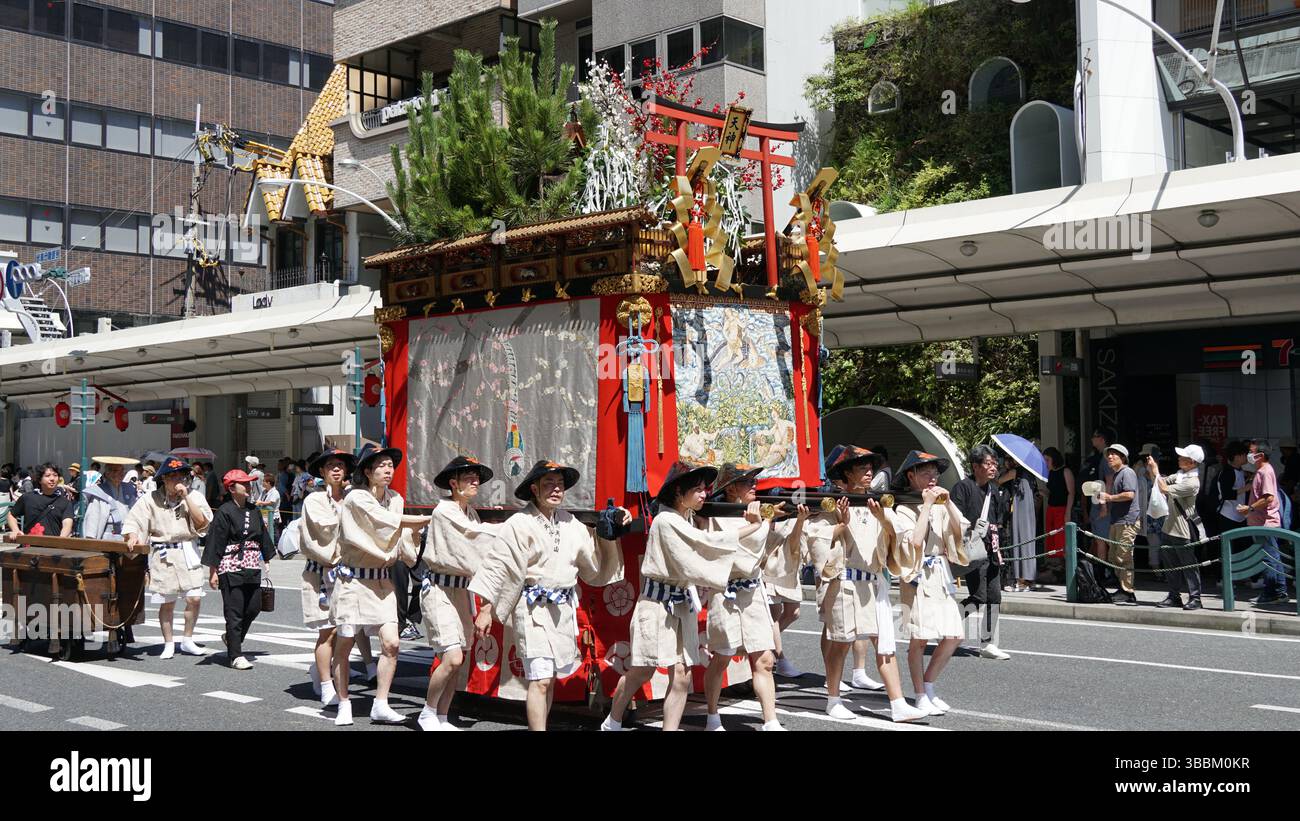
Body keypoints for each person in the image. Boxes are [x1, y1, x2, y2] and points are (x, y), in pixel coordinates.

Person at [472, 459, 628, 731]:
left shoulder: (571, 523)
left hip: (561, 610)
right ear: (534, 488)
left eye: (560, 484)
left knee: (551, 677)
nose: (556, 489)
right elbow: (499, 564)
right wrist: (486, 607)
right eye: (548, 484)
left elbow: (592, 564)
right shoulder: (520, 523)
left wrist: (611, 527)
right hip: (532, 609)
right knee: (540, 678)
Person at [602, 461, 755, 732]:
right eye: (696, 489)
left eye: (704, 489)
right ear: (678, 493)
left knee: (682, 675)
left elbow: (708, 543)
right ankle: (613, 719)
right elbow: (706, 546)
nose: (704, 494)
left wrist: (755, 525)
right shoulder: (665, 520)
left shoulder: (686, 519)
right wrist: (754, 526)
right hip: (657, 605)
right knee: (642, 670)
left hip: (681, 605)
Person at [807, 446, 928, 723]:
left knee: (884, 642)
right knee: (841, 643)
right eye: (863, 467)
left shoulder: (878, 503)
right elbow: (816, 540)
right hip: (844, 581)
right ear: (847, 473)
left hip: (873, 584)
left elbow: (899, 536)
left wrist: (883, 517)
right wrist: (840, 524)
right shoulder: (833, 502)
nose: (869, 471)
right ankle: (833, 699)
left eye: (871, 467)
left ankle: (897, 702)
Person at [331, 444, 429, 726]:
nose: (388, 470)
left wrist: (413, 544)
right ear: (367, 471)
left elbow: (401, 537)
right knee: (345, 643)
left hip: (382, 580)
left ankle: (381, 703)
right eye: (381, 465)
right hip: (353, 580)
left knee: (392, 643)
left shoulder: (396, 498)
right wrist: (429, 518)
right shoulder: (355, 498)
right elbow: (385, 521)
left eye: (390, 465)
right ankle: (344, 702)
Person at [416, 455, 500, 731]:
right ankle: (427, 712)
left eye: (477, 478)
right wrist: (513, 529)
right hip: (439, 589)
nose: (475, 482)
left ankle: (442, 715)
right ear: (453, 483)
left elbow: (478, 546)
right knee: (451, 656)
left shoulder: (470, 513)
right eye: (469, 478)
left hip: (461, 591)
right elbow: (475, 538)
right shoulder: (445, 510)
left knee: (459, 658)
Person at [701, 463, 785, 731]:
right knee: (723, 657)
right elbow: (727, 549)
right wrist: (761, 523)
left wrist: (771, 520)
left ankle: (770, 720)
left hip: (753, 590)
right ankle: (713, 716)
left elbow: (765, 553)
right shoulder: (713, 516)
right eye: (747, 481)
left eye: (752, 480)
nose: (754, 485)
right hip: (725, 591)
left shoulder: (759, 511)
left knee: (764, 659)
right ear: (731, 488)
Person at [298, 448, 374, 707]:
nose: (337, 469)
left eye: (341, 465)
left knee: (346, 630)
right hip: (321, 573)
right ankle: (325, 684)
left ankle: (331, 674)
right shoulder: (314, 500)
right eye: (331, 465)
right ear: (321, 471)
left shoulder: (353, 498)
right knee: (326, 631)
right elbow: (325, 531)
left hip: (348, 575)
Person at [894, 450, 968, 716]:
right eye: (926, 473)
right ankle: (919, 693)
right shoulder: (903, 507)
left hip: (940, 573)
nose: (933, 478)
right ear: (911, 476)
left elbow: (960, 530)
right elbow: (914, 542)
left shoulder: (940, 501)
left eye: (935, 473)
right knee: (920, 637)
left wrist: (946, 503)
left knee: (954, 635)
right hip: (916, 575)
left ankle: (929, 683)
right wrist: (925, 505)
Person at [122, 457, 212, 659]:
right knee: (168, 601)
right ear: (163, 479)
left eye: (180, 475)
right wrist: (133, 535)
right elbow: (134, 521)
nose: (177, 479)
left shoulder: (194, 496)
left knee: (194, 597)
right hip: (163, 553)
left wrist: (186, 497)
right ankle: (169, 642)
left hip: (187, 550)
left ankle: (188, 639)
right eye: (172, 476)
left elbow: (202, 523)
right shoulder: (150, 499)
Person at [202, 469, 275, 670]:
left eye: (250, 483)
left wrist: (266, 557)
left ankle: (231, 638)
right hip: (230, 564)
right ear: (232, 488)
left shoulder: (254, 510)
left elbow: (262, 535)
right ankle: (235, 654)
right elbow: (216, 541)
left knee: (254, 607)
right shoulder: (224, 511)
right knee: (234, 612)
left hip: (251, 562)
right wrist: (213, 570)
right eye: (245, 484)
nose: (250, 486)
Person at [952, 445, 1011, 660]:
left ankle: (988, 643)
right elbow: (954, 519)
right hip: (973, 549)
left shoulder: (994, 490)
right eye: (988, 464)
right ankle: (950, 620)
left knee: (994, 596)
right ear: (975, 466)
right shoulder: (962, 488)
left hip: (992, 548)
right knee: (979, 596)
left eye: (995, 463)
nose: (993, 467)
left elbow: (1000, 518)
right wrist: (972, 527)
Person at [1146, 445, 1204, 610]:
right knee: (1170, 566)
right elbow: (1158, 483)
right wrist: (1152, 470)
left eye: (1182, 456)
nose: (1178, 458)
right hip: (1168, 526)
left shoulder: (1192, 482)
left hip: (1183, 529)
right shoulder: (1180, 476)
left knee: (1188, 566)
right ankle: (1174, 596)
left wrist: (1155, 469)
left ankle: (1196, 598)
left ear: (1192, 462)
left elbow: (1163, 488)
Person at [763, 487, 810, 680]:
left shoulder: (796, 488)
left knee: (793, 612)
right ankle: (779, 658)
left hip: (788, 559)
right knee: (773, 613)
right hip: (769, 558)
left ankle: (765, 645)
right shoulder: (767, 487)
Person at [1240, 443, 1290, 604]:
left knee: (1269, 558)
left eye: (1251, 452)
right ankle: (1279, 591)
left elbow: (1269, 497)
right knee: (1272, 557)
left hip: (1265, 522)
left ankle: (1272, 592)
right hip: (1262, 521)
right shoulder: (1262, 471)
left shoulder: (1265, 471)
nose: (1248, 454)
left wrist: (1250, 508)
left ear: (1260, 455)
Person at [1098, 444, 1139, 605]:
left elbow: (1129, 494)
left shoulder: (1127, 472)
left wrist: (1109, 498)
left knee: (1124, 557)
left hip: (1127, 521)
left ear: (1123, 457)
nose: (1109, 457)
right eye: (1108, 454)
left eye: (1114, 454)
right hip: (1117, 521)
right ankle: (1122, 588)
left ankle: (1128, 592)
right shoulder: (1117, 474)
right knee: (1114, 556)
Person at [6, 463, 73, 537]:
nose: (52, 479)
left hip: (53, 546)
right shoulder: (28, 498)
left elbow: (67, 524)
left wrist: (60, 540)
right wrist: (16, 530)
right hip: (29, 546)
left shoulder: (65, 502)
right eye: (47, 476)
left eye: (55, 475)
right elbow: (11, 515)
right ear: (40, 480)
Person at [81, 457, 139, 540]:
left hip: (128, 539)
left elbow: (135, 515)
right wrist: (91, 541)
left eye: (122, 470)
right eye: (115, 471)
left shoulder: (129, 490)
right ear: (107, 473)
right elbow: (92, 523)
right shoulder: (98, 492)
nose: (120, 473)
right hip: (107, 541)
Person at [1080, 428, 1115, 563]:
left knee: (1103, 540)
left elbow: (1109, 482)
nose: (1091, 439)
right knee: (1100, 539)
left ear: (1102, 439)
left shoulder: (1107, 458)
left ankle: (1104, 570)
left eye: (1094, 436)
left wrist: (1104, 505)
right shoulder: (1102, 457)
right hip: (1098, 503)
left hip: (1102, 505)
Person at [1135, 444, 1166, 577]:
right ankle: (1156, 570)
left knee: (1161, 543)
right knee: (1154, 543)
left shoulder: (1161, 478)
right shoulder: (1139, 478)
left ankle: (1161, 569)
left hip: (1161, 515)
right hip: (1147, 515)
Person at [1042, 447, 1073, 558]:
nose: (1045, 463)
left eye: (1047, 460)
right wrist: (1042, 493)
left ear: (1054, 459)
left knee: (1061, 538)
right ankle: (1053, 564)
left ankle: (1062, 564)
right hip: (1051, 508)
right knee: (1050, 537)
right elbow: (1053, 493)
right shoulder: (1050, 473)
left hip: (1062, 509)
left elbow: (1071, 493)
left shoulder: (1066, 471)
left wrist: (1068, 512)